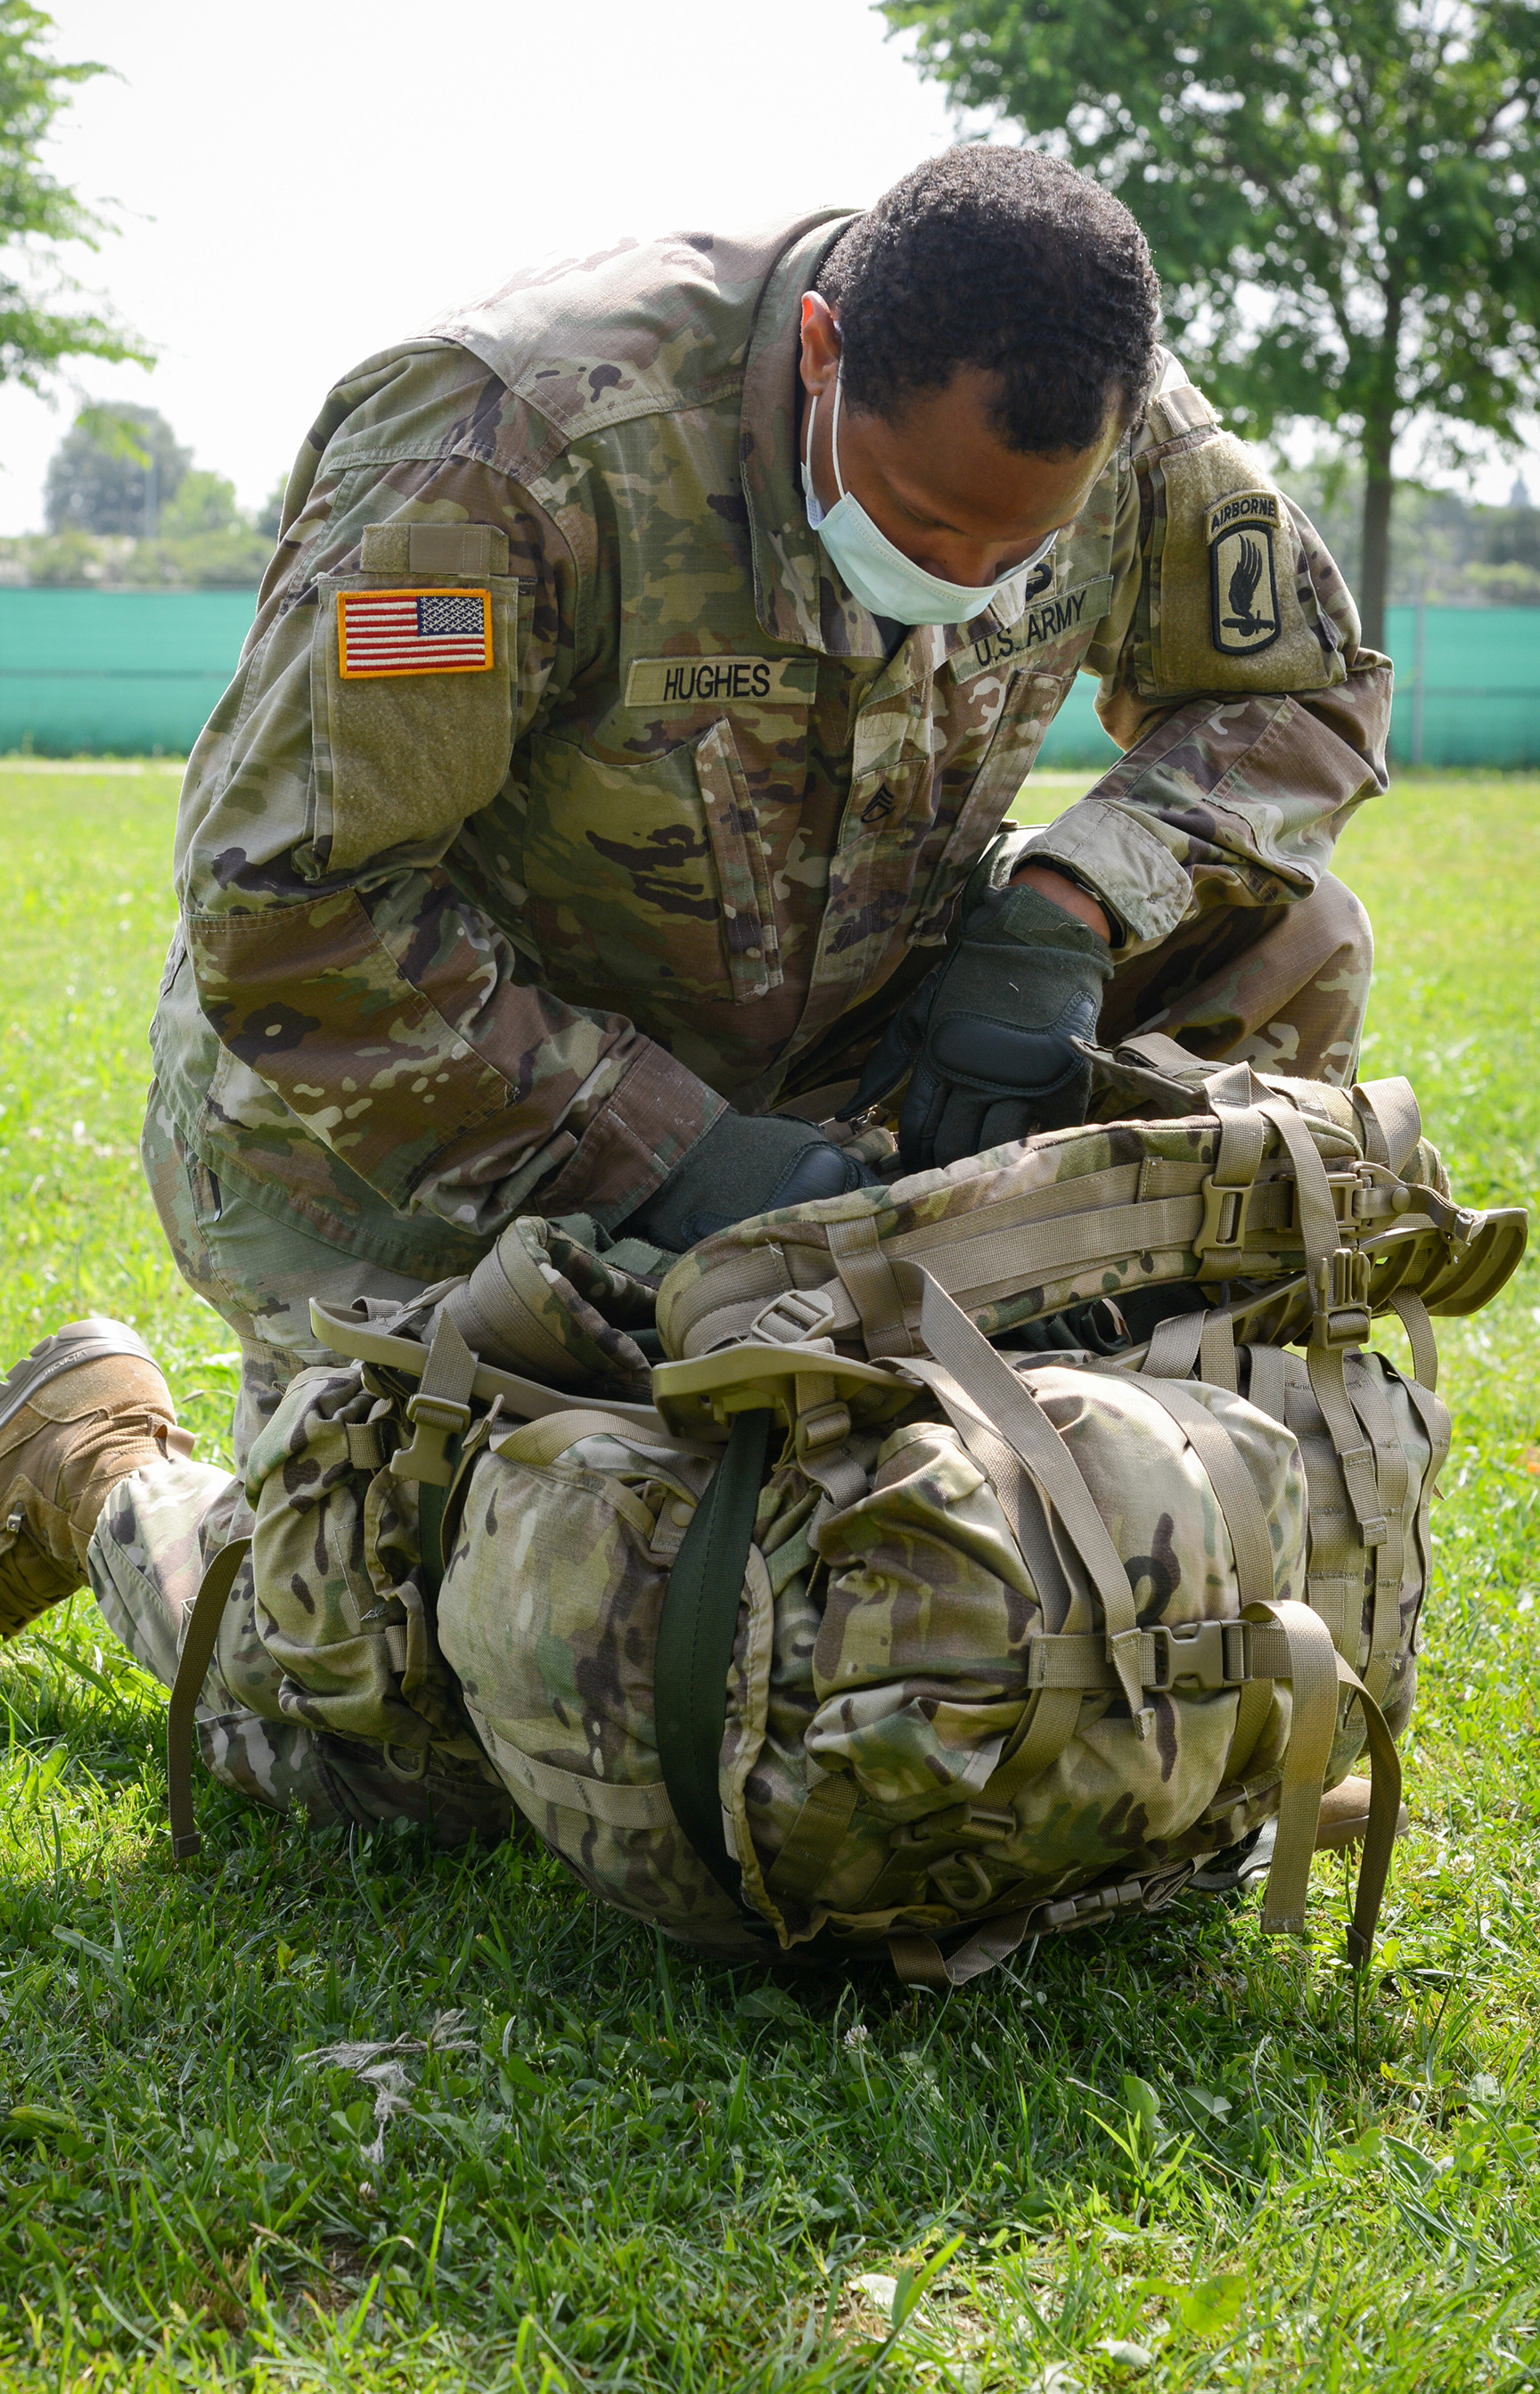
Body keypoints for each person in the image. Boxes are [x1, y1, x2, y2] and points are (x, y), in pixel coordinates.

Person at [0, 145, 1391, 1849]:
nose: (963, 575)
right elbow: (291, 909)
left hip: (827, 1050)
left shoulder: (1125, 425)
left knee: (1293, 927)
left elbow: (1303, 697)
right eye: (921, 520)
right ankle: (101, 1463)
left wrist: (1063, 907)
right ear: (818, 350)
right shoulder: (508, 445)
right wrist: (661, 1151)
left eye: (1016, 546)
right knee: (425, 1740)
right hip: (403, 1131)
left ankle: (1111, 1499)